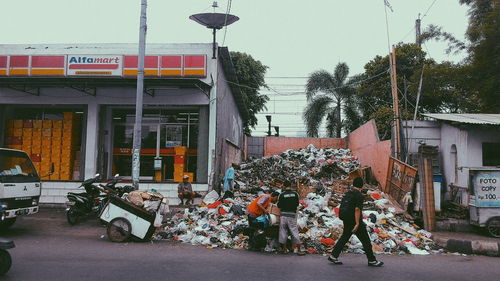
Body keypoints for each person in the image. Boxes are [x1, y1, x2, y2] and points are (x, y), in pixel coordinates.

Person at [328, 177, 384, 267]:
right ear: (361, 186)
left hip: (347, 220)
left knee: (344, 237)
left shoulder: (348, 193)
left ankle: (333, 256)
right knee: (366, 240)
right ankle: (372, 260)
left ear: (353, 184)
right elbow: (357, 209)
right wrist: (357, 223)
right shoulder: (358, 195)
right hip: (355, 222)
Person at [277, 180, 306, 255]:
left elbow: (279, 205)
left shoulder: (281, 195)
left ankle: (284, 249)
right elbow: (297, 204)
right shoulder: (295, 194)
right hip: (292, 215)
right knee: (294, 231)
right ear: (290, 186)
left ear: (284, 186)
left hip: (283, 215)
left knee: (283, 231)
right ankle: (299, 250)